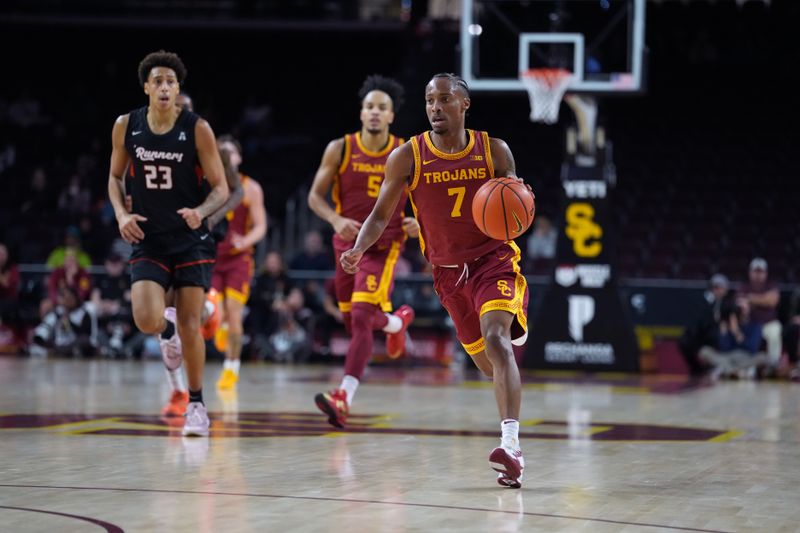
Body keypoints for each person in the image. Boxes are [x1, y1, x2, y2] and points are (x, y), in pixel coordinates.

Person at [340, 73, 530, 489]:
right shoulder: (407, 156)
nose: (435, 107)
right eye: (429, 100)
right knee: (486, 365)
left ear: (465, 104)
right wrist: (357, 247)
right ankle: (510, 347)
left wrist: (520, 196)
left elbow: (516, 203)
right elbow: (379, 214)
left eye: (445, 99)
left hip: (493, 260)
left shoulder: (494, 150)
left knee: (497, 341)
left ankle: (512, 447)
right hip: (447, 274)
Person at [107, 50, 229, 437]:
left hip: (189, 239)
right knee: (145, 318)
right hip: (147, 236)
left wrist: (201, 209)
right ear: (146, 86)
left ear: (178, 89)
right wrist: (121, 215)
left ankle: (196, 406)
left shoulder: (197, 128)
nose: (164, 87)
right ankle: (165, 331)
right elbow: (114, 179)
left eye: (170, 82)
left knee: (192, 323)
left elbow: (221, 188)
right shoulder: (126, 126)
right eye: (157, 81)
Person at [308, 74, 418, 430]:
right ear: (361, 113)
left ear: (391, 117)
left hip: (383, 247)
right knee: (355, 321)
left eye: (381, 108)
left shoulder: (405, 152)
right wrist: (334, 218)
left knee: (359, 315)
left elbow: (426, 197)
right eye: (369, 106)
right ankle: (397, 322)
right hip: (346, 246)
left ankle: (343, 397)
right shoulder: (339, 148)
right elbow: (314, 197)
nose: (374, 112)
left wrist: (420, 223)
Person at [213, 134, 268, 390]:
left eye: (230, 152)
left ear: (238, 157)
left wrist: (244, 242)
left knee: (235, 315)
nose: (226, 156)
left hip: (238, 259)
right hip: (212, 257)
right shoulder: (209, 184)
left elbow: (261, 227)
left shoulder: (251, 188)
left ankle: (231, 367)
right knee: (216, 311)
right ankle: (220, 325)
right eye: (220, 151)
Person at [678, 273, 735, 376]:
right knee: (684, 341)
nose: (721, 291)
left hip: (714, 337)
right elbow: (699, 321)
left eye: (722, 288)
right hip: (700, 335)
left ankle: (712, 369)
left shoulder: (725, 303)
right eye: (718, 288)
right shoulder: (703, 301)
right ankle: (697, 370)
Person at [740, 257, 782, 376]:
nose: (758, 275)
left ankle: (774, 366)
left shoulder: (771, 285)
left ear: (765, 273)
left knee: (775, 332)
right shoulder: (744, 286)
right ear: (750, 272)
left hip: (769, 323)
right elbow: (741, 304)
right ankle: (749, 368)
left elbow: (772, 301)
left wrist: (751, 299)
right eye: (755, 271)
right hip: (752, 323)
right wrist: (764, 299)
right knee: (748, 337)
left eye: (760, 272)